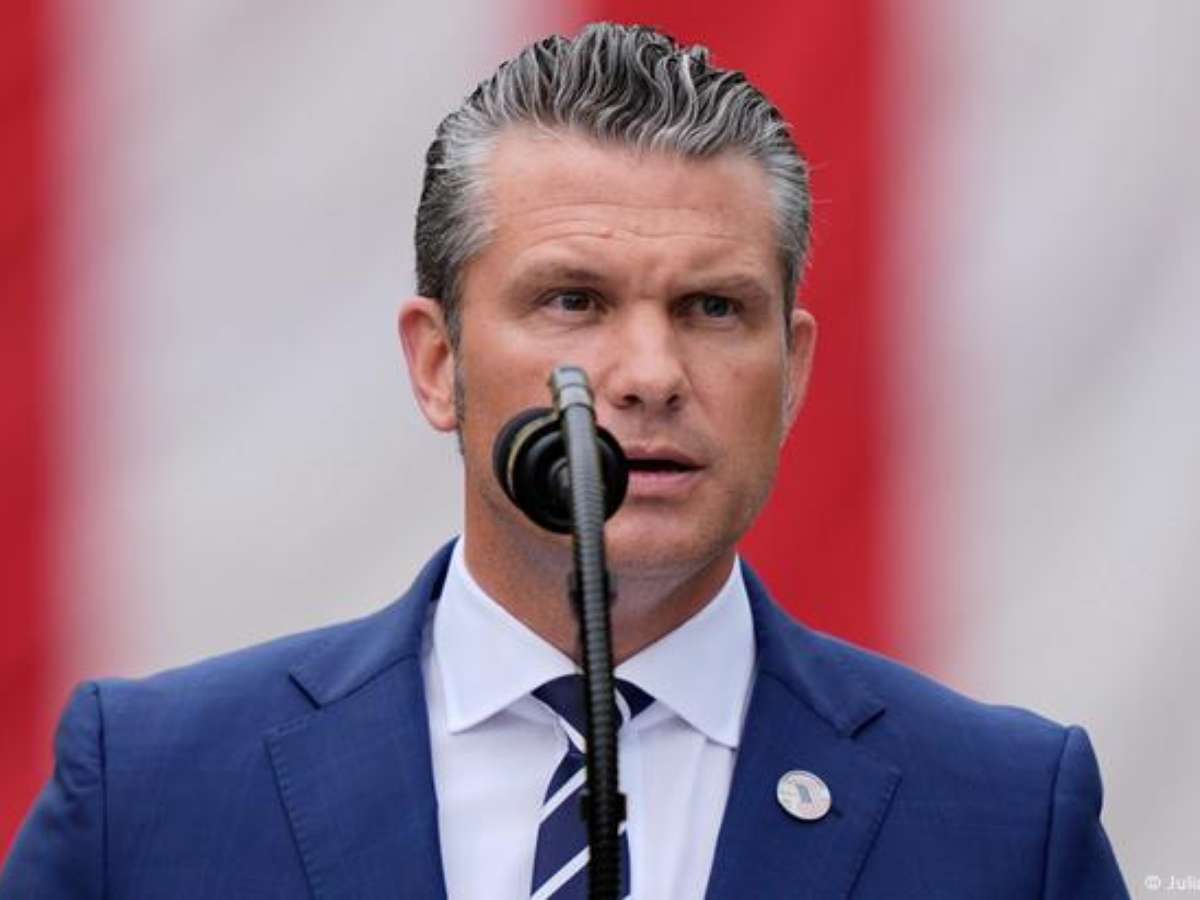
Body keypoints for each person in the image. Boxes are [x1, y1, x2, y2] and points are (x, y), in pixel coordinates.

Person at [1, 22, 1128, 899]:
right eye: (574, 301)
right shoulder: (153, 785)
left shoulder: (1004, 815)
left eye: (713, 308)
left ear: (791, 374)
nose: (650, 374)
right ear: (438, 363)